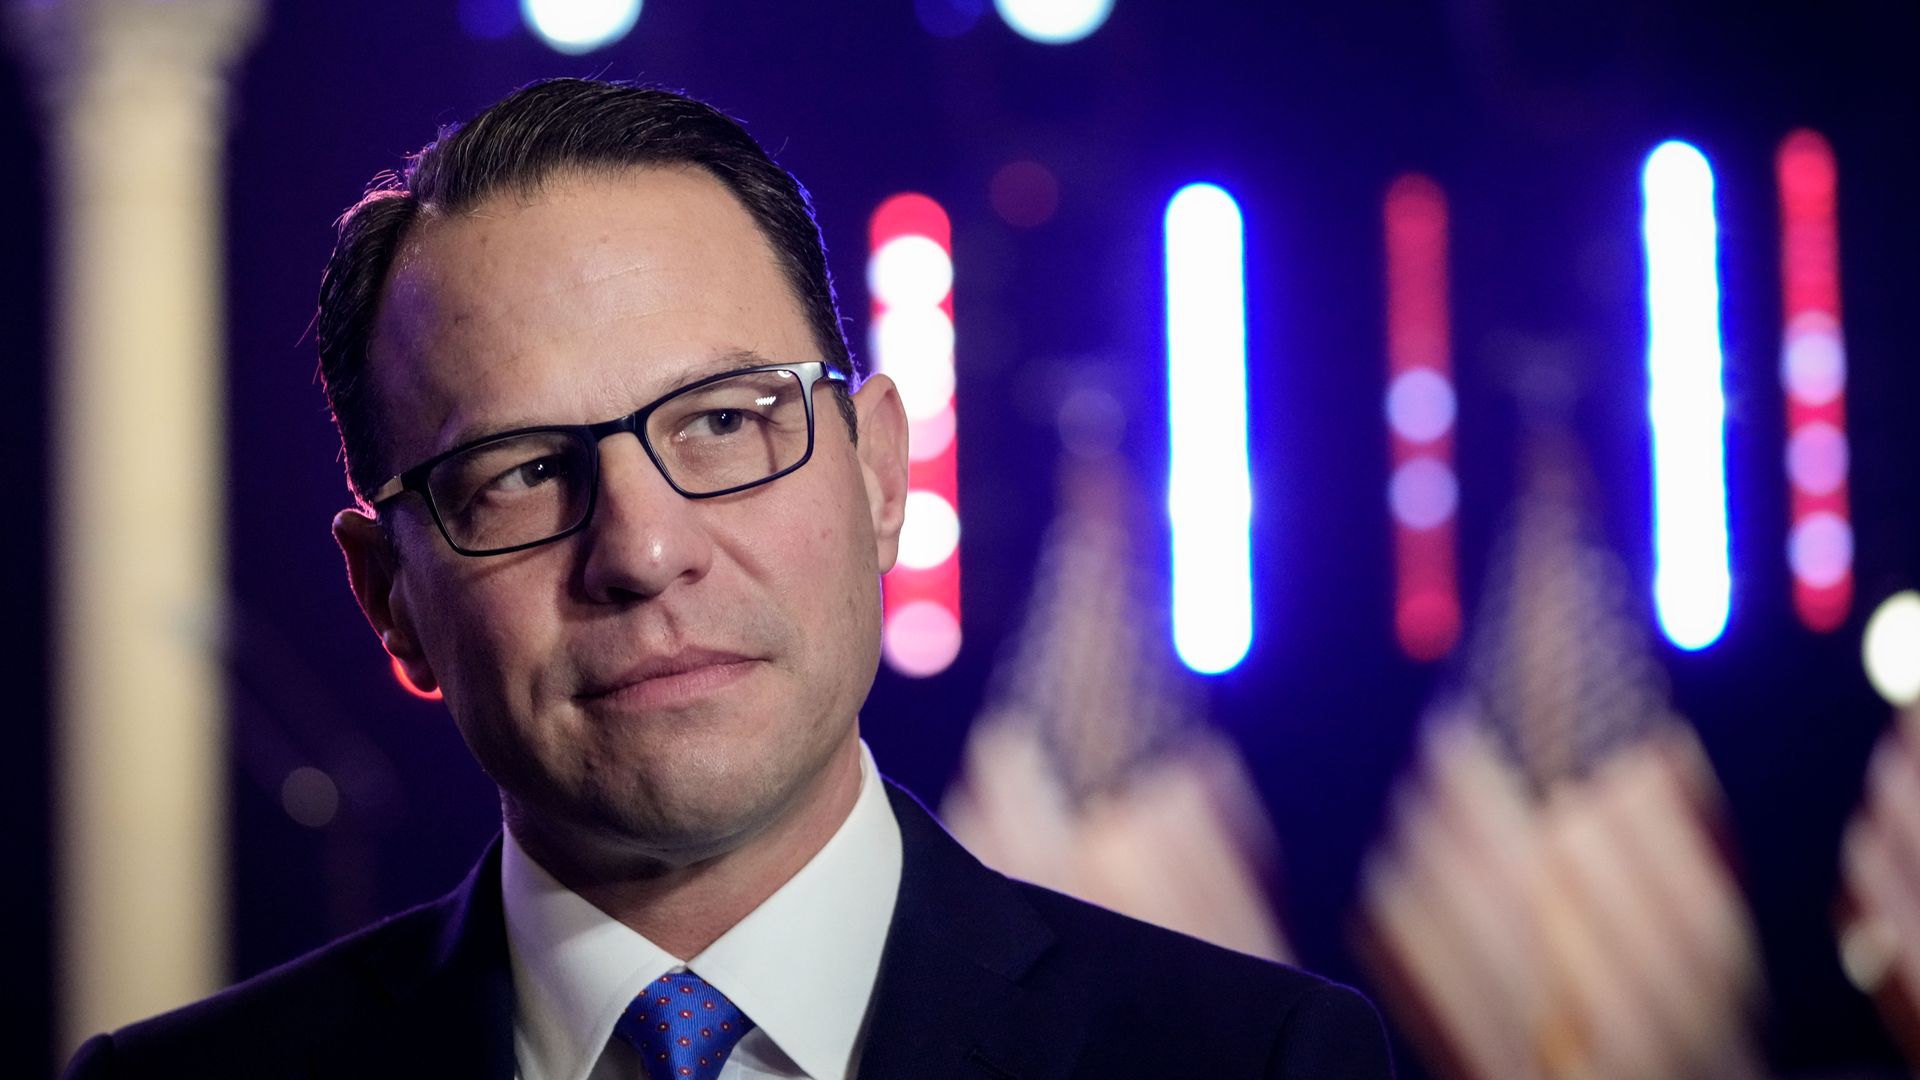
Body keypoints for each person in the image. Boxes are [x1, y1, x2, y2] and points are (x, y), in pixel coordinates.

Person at [63, 78, 1394, 1079]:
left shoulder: (1265, 1062)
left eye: (721, 421)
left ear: (881, 475)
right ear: (390, 597)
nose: (643, 552)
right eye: (521, 472)